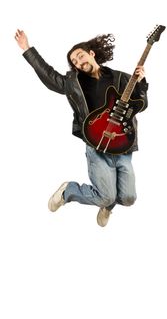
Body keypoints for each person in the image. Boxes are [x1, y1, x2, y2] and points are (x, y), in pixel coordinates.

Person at [14, 29, 149, 227]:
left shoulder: (120, 78)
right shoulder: (73, 83)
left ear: (91, 53)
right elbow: (50, 76)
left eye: (80, 56)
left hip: (122, 145)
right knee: (106, 196)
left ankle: (108, 204)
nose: (78, 62)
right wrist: (27, 49)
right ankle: (69, 191)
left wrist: (142, 82)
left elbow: (141, 106)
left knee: (128, 198)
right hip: (95, 144)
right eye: (74, 62)